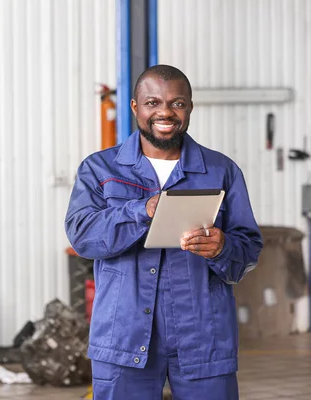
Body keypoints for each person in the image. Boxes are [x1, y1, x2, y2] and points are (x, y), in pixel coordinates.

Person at [64, 65, 263, 399]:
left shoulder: (221, 171)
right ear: (135, 107)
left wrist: (223, 247)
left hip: (204, 337)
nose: (165, 112)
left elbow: (248, 253)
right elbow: (83, 236)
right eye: (153, 102)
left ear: (190, 107)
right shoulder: (99, 169)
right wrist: (142, 210)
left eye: (178, 103)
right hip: (123, 335)